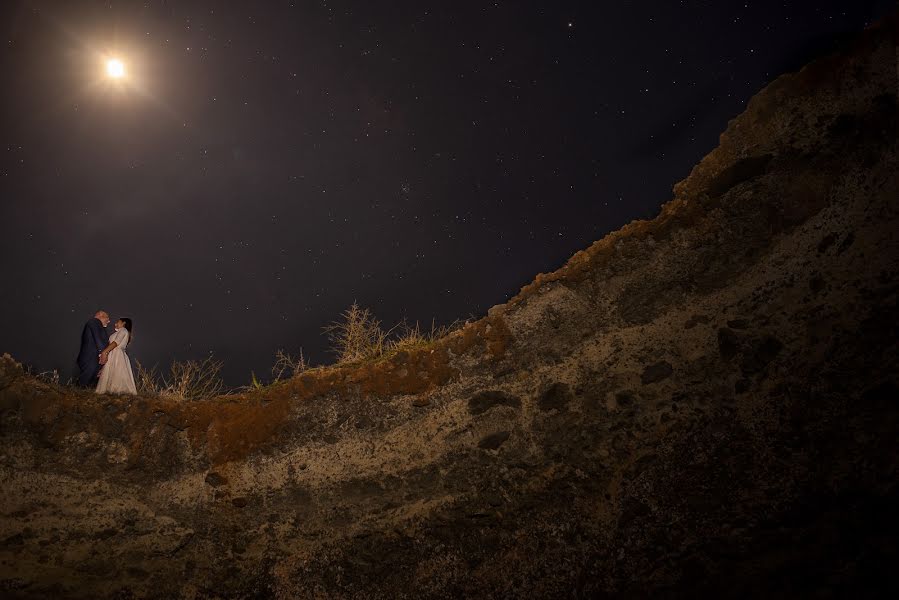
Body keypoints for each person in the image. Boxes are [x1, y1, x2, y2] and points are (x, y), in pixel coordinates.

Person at [96, 318, 137, 395]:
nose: (115, 324)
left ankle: (118, 393)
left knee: (117, 374)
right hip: (113, 354)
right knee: (112, 373)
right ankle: (112, 393)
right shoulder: (120, 331)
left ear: (124, 323)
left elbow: (116, 342)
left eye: (117, 322)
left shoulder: (123, 330)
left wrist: (105, 352)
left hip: (117, 355)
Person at [77, 310, 110, 387]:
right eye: (107, 318)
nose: (109, 321)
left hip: (93, 358)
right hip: (90, 358)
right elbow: (98, 338)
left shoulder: (98, 325)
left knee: (90, 383)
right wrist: (103, 353)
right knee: (84, 382)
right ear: (100, 315)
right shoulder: (94, 321)